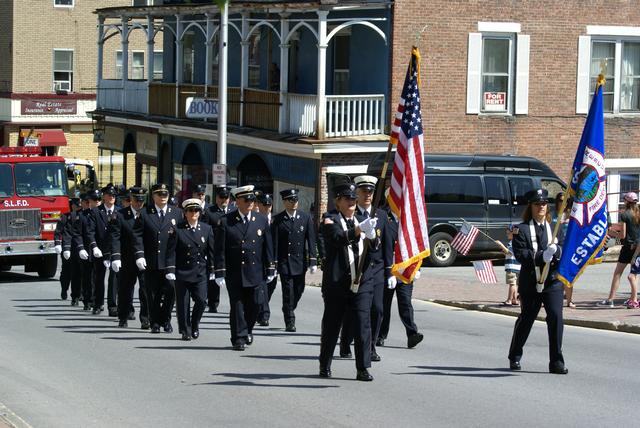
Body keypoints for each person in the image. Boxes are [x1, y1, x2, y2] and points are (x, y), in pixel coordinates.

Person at [318, 179, 381, 381]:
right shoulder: (330, 219)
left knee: (363, 324)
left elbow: (374, 249)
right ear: (338, 201)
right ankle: (325, 364)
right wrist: (359, 230)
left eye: (354, 198)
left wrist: (373, 237)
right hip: (338, 284)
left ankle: (362, 368)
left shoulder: (363, 219)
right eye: (347, 198)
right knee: (332, 326)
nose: (352, 202)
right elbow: (337, 238)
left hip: (362, 281)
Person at [508, 188, 568, 375]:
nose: (541, 206)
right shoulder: (522, 229)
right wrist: (542, 255)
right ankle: (515, 355)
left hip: (552, 281)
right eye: (537, 204)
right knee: (527, 318)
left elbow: (565, 249)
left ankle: (556, 362)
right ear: (531, 206)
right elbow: (521, 255)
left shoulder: (556, 227)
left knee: (556, 318)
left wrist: (557, 252)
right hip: (531, 282)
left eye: (544, 203)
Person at [213, 185, 275, 351]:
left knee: (255, 304)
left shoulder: (261, 219)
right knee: (238, 306)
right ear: (237, 201)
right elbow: (219, 249)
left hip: (256, 271)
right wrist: (219, 271)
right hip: (235, 272)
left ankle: (248, 329)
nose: (250, 203)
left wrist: (270, 268)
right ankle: (239, 338)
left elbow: (268, 246)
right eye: (246, 200)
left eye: (252, 200)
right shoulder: (226, 221)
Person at [340, 175, 392, 363]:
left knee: (377, 309)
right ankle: (345, 342)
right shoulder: (352, 215)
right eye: (364, 192)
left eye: (370, 192)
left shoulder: (381, 215)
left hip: (376, 270)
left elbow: (387, 245)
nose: (368, 195)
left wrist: (389, 270)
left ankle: (370, 348)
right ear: (357, 193)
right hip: (356, 269)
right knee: (352, 310)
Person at [133, 183, 183, 334]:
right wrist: (139, 255)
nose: (163, 197)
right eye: (159, 194)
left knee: (170, 291)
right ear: (153, 196)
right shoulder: (145, 213)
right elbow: (137, 235)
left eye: (165, 194)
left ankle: (166, 319)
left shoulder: (177, 213)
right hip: (151, 260)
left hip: (170, 261)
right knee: (152, 294)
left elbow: (182, 235)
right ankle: (155, 322)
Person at [268, 188, 318, 331]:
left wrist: (313, 260)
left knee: (299, 289)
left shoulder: (305, 217)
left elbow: (311, 239)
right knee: (288, 291)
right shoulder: (277, 220)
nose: (294, 202)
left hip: (300, 262)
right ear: (284, 202)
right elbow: (274, 243)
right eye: (291, 200)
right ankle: (290, 320)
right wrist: (273, 264)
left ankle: (288, 307)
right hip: (284, 262)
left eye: (296, 199)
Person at [166, 198, 215, 341]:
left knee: (201, 301)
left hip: (200, 272)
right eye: (190, 210)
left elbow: (211, 251)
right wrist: (170, 269)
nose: (194, 213)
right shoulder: (177, 229)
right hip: (182, 272)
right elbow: (171, 251)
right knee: (183, 303)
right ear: (185, 213)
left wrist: (213, 269)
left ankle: (195, 324)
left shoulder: (206, 229)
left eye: (196, 210)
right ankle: (185, 329)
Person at [378, 205, 424, 349]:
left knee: (405, 304)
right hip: (389, 270)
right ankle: (379, 335)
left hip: (405, 271)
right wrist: (387, 271)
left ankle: (412, 334)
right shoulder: (384, 218)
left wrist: (417, 268)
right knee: (383, 306)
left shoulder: (409, 221)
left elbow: (416, 246)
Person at [110, 187, 150, 329]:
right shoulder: (120, 215)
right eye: (136, 200)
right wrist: (115, 257)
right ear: (130, 200)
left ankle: (146, 318)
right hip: (127, 259)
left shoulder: (148, 214)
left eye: (141, 200)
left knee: (146, 290)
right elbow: (115, 237)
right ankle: (123, 316)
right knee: (125, 290)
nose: (139, 203)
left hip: (145, 259)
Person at [598, 192, 640, 308]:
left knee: (617, 273)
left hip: (627, 248)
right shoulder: (638, 213)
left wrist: (609, 232)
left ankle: (610, 299)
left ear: (626, 201)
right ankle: (633, 299)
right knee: (633, 275)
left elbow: (622, 235)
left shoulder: (625, 214)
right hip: (638, 248)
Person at [89, 185, 118, 316]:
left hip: (114, 250)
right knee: (99, 277)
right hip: (100, 250)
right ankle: (97, 303)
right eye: (109, 195)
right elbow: (90, 232)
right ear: (104, 197)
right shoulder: (96, 211)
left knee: (114, 279)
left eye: (113, 196)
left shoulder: (120, 212)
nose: (112, 197)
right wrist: (94, 246)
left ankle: (112, 306)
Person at [202, 186, 233, 312]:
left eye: (226, 197)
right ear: (217, 198)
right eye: (222, 197)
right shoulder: (210, 212)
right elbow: (205, 231)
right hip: (214, 248)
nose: (224, 200)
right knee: (214, 275)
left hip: (230, 248)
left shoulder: (233, 210)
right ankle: (213, 302)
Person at [255, 192, 278, 327]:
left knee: (271, 287)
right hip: (259, 260)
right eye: (265, 204)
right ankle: (264, 315)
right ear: (259, 205)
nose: (268, 207)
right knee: (262, 287)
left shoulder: (276, 220)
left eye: (270, 204)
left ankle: (260, 307)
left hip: (274, 259)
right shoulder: (255, 219)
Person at [74, 192, 96, 311]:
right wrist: (81, 248)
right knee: (87, 277)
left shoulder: (98, 214)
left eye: (90, 202)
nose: (89, 204)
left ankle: (97, 300)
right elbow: (78, 233)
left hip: (98, 250)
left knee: (97, 277)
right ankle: (87, 300)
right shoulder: (81, 216)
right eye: (86, 202)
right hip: (86, 250)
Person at [57, 198, 82, 305]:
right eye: (77, 206)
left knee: (79, 272)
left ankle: (79, 294)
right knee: (66, 271)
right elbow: (59, 232)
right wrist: (58, 244)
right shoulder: (64, 217)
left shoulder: (83, 217)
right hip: (67, 247)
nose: (79, 208)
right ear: (73, 206)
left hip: (79, 248)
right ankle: (64, 289)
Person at [501, 225, 521, 306]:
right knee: (515, 284)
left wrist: (501, 245)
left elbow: (509, 252)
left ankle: (509, 300)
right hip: (517, 266)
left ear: (513, 233)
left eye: (508, 233)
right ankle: (515, 300)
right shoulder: (518, 242)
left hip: (512, 266)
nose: (507, 235)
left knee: (512, 284)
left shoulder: (512, 242)